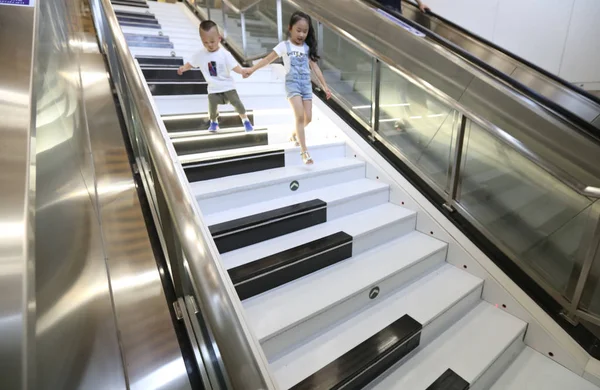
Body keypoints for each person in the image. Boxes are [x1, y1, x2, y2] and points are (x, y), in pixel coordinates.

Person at [245, 11, 331, 165]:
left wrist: (325, 87)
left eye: (305, 31)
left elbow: (315, 68)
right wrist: (252, 70)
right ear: (290, 28)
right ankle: (304, 152)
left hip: (306, 84)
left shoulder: (306, 48)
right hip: (292, 84)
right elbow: (267, 60)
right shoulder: (283, 46)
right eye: (298, 30)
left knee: (308, 118)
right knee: (299, 116)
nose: (302, 34)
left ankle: (294, 134)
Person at [178, 20, 253, 133]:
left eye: (212, 41)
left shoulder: (225, 54)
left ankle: (245, 120)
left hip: (228, 87)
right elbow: (191, 63)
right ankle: (214, 123)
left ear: (219, 38)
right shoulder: (200, 54)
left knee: (237, 104)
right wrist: (183, 68)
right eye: (205, 42)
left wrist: (242, 71)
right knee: (212, 107)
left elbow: (234, 66)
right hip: (213, 88)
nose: (209, 45)